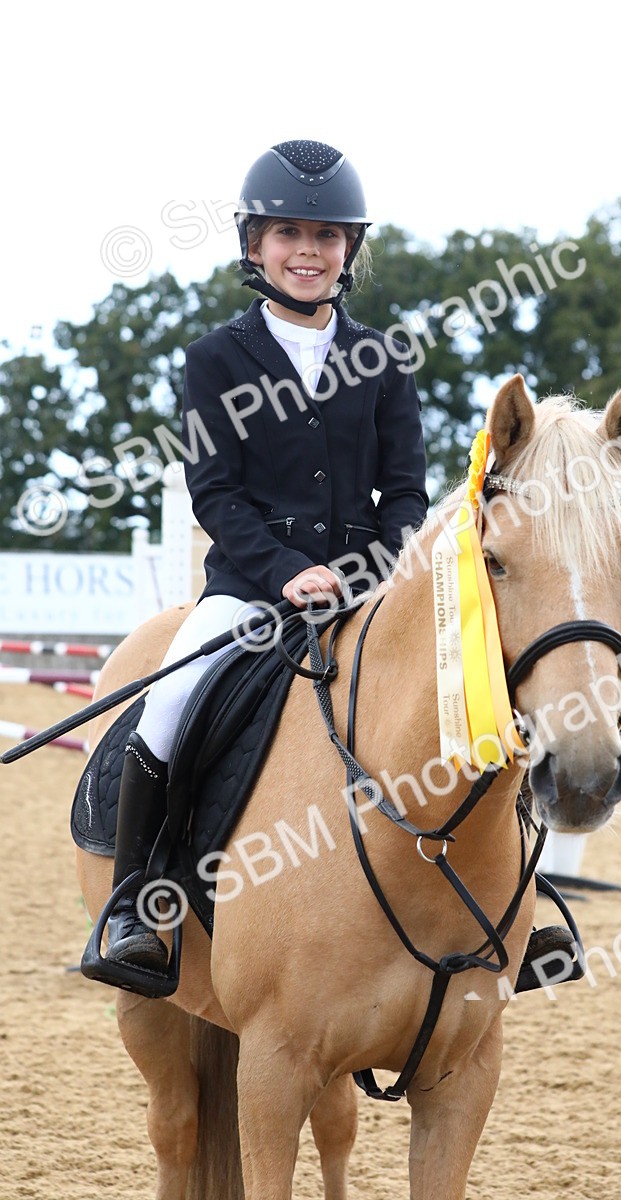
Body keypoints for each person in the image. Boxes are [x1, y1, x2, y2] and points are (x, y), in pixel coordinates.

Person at [88, 140, 429, 984]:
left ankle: (520, 906)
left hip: (369, 594)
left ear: (350, 249)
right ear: (254, 245)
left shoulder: (383, 360)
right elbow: (215, 493)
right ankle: (136, 904)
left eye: (325, 235)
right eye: (288, 233)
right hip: (252, 592)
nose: (307, 250)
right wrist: (283, 572)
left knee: (474, 691)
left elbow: (409, 496)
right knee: (166, 706)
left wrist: (366, 576)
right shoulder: (215, 360)